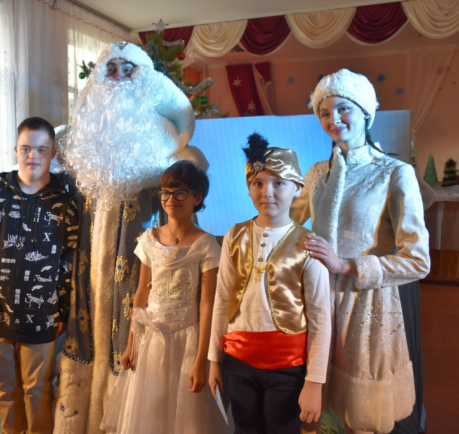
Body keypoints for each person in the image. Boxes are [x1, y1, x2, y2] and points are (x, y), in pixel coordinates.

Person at [54, 42, 207, 433]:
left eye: (129, 69)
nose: (119, 77)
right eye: (112, 69)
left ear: (144, 78)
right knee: (87, 329)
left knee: (130, 343)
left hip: (142, 272)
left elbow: (181, 213)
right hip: (89, 268)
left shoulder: (163, 145)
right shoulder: (84, 140)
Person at [291, 68, 430, 434]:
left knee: (363, 416)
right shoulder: (316, 173)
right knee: (320, 412)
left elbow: (418, 261)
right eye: (324, 112)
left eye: (343, 109)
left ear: (366, 112)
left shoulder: (394, 172)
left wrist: (349, 265)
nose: (333, 119)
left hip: (369, 308)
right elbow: (289, 224)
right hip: (317, 300)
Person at [208, 133, 332, 434]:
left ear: (297, 187)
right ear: (249, 187)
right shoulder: (234, 237)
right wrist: (214, 359)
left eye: (278, 183)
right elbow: (222, 299)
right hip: (238, 363)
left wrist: (314, 382)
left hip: (286, 367)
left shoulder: (309, 245)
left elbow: (320, 318)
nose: (268, 192)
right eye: (258, 183)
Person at [0, 116, 79, 433]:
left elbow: (68, 262)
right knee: (4, 390)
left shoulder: (66, 202)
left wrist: (63, 309)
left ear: (53, 152)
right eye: (26, 148)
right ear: (16, 149)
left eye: (41, 149)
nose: (33, 156)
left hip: (41, 315)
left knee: (37, 390)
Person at [100, 160, 228, 434]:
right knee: (150, 411)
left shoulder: (206, 243)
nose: (171, 200)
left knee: (186, 417)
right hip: (150, 340)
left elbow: (207, 304)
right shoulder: (150, 238)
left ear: (197, 197)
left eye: (179, 193)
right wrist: (130, 344)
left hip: (187, 340)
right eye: (166, 193)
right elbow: (141, 293)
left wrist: (202, 359)